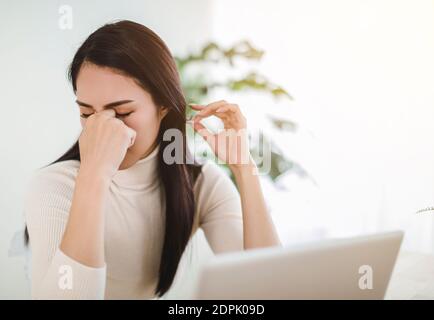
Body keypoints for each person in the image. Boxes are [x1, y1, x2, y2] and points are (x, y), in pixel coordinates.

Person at [24, 20, 280, 299]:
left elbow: (266, 290)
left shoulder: (199, 184)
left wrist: (244, 168)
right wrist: (94, 176)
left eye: (121, 113)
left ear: (163, 106)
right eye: (87, 114)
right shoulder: (55, 185)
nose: (103, 130)